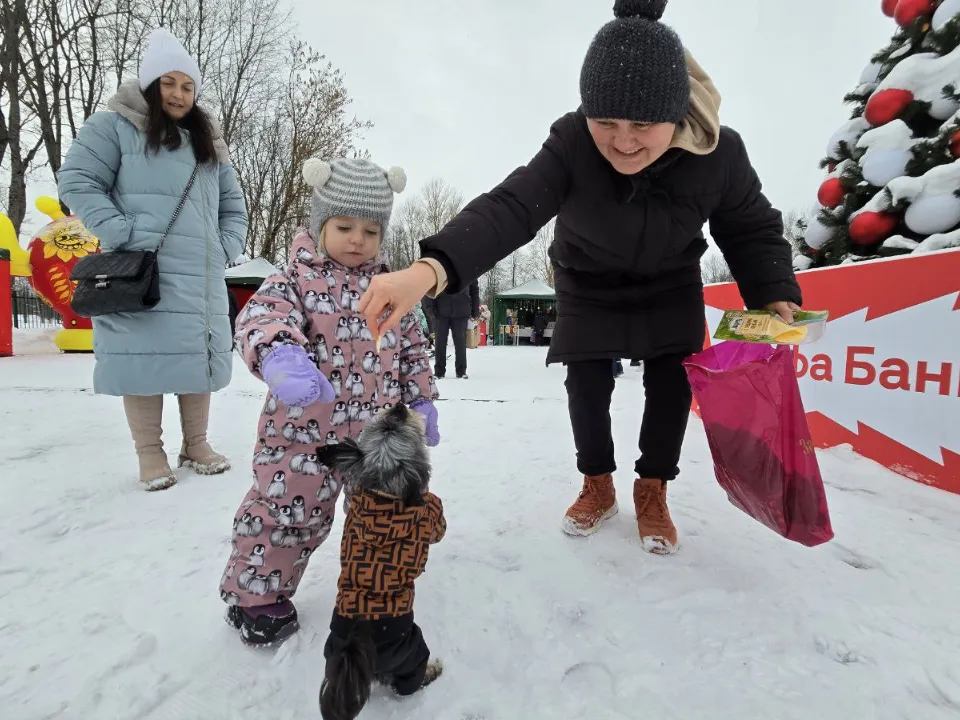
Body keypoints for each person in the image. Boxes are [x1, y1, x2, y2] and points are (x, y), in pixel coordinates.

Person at [359, 0, 801, 555]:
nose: (623, 141)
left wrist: (775, 291)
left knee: (670, 385)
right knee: (586, 384)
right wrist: (432, 268)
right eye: (605, 122)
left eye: (643, 124)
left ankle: (653, 488)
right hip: (588, 280)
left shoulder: (720, 153)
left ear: (677, 113)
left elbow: (751, 228)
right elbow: (511, 206)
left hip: (670, 281)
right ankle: (597, 482)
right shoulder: (571, 142)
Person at [219, 157, 440, 647]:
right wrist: (281, 358)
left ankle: (373, 591)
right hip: (301, 434)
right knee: (288, 511)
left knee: (379, 515)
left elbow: (412, 348)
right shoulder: (292, 278)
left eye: (370, 230)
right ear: (320, 224)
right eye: (344, 226)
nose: (357, 239)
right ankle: (255, 595)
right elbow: (263, 318)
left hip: (375, 439)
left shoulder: (392, 288)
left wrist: (421, 401)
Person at [58, 28, 248, 491]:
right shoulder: (114, 127)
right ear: (149, 84)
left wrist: (224, 247)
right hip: (142, 270)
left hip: (198, 275)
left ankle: (196, 443)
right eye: (169, 82)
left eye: (188, 85)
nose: (179, 94)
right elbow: (77, 181)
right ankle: (150, 452)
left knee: (194, 356)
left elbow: (233, 206)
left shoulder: (209, 143)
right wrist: (121, 232)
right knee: (141, 358)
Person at [422, 278, 480, 379]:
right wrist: (429, 308)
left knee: (460, 343)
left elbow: (474, 290)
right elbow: (428, 286)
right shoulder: (440, 263)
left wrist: (475, 310)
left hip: (461, 311)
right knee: (440, 343)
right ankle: (439, 372)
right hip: (439, 311)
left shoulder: (469, 266)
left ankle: (461, 371)